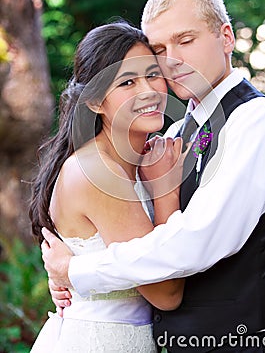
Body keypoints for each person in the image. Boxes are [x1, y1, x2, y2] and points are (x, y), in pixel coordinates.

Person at [41, 0, 265, 352]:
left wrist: (78, 271)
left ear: (226, 37)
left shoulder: (257, 120)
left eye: (186, 40)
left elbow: (199, 241)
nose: (172, 59)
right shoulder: (176, 131)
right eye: (159, 48)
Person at [29, 21, 187, 352]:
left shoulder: (141, 158)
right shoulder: (97, 172)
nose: (148, 90)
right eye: (127, 82)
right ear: (96, 102)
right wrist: (165, 193)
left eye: (152, 74)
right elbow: (166, 292)